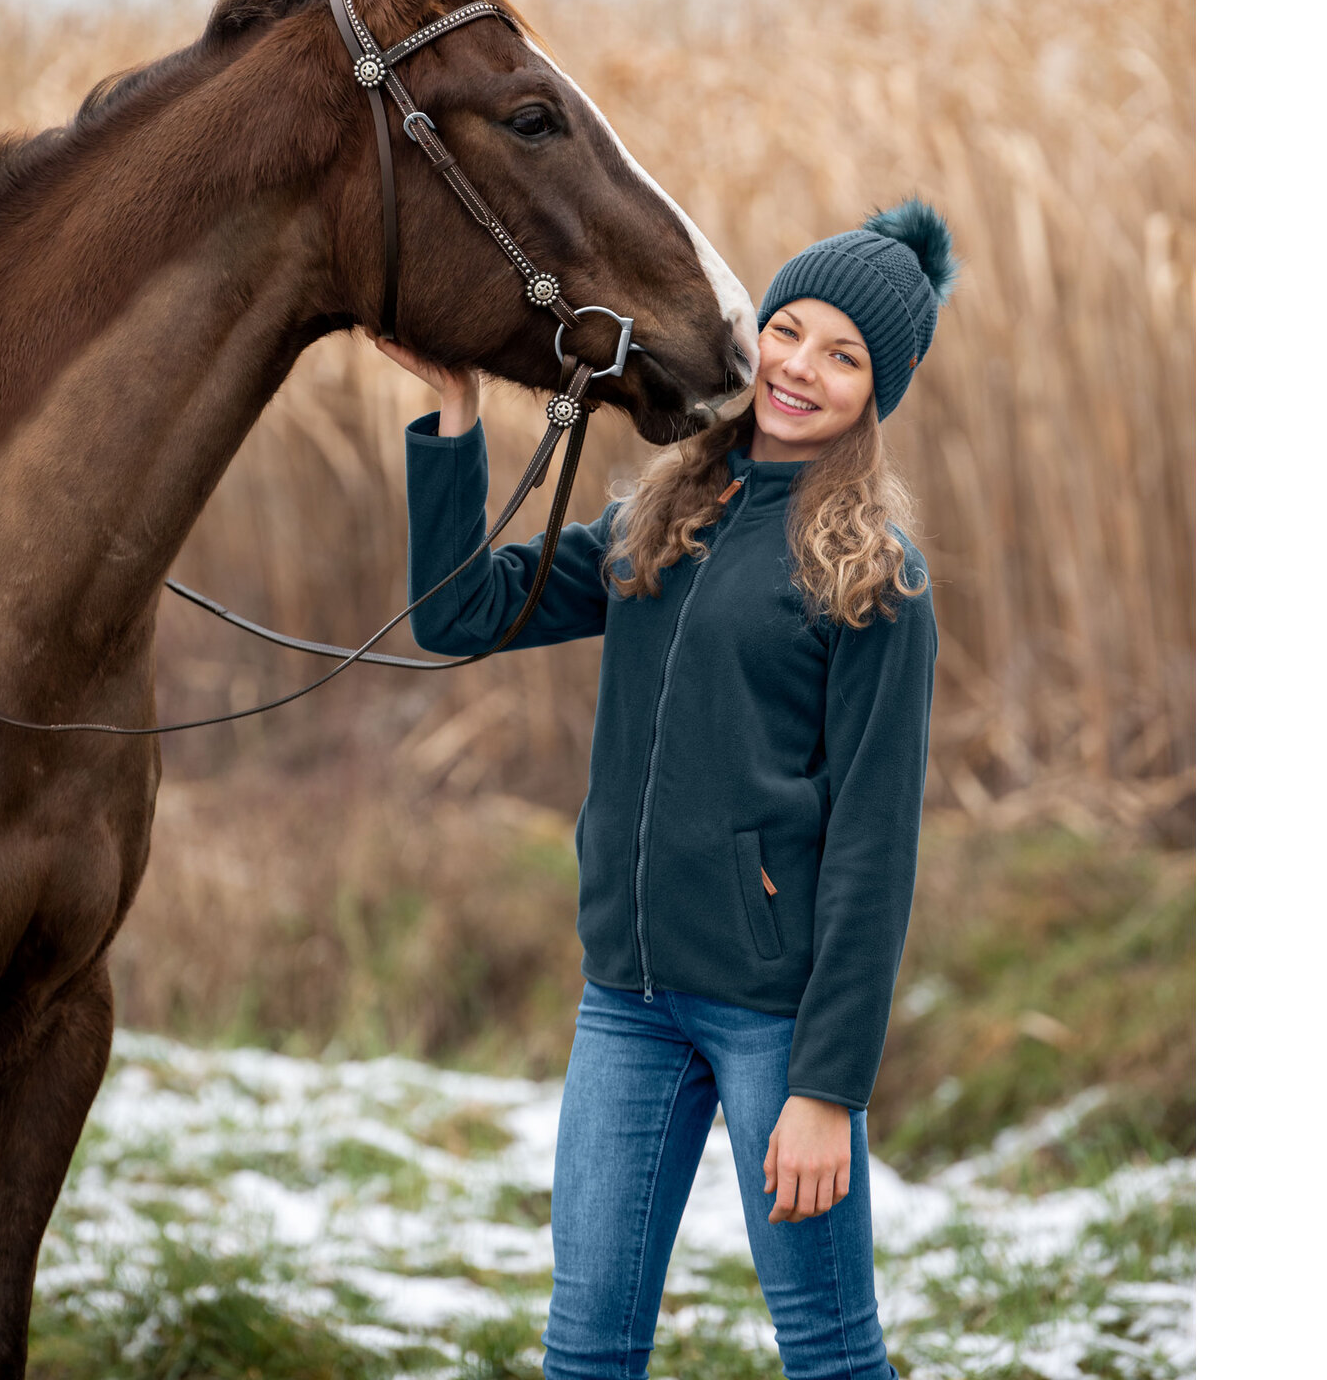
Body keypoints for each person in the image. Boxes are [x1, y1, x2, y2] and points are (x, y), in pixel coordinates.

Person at [371, 200, 956, 1380]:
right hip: (626, 1003)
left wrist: (826, 1090)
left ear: (874, 394)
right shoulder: (657, 515)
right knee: (584, 1349)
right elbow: (456, 613)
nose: (799, 367)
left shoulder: (874, 578)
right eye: (788, 330)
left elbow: (874, 847)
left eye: (842, 357)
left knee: (830, 1353)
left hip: (771, 1024)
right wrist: (452, 416)